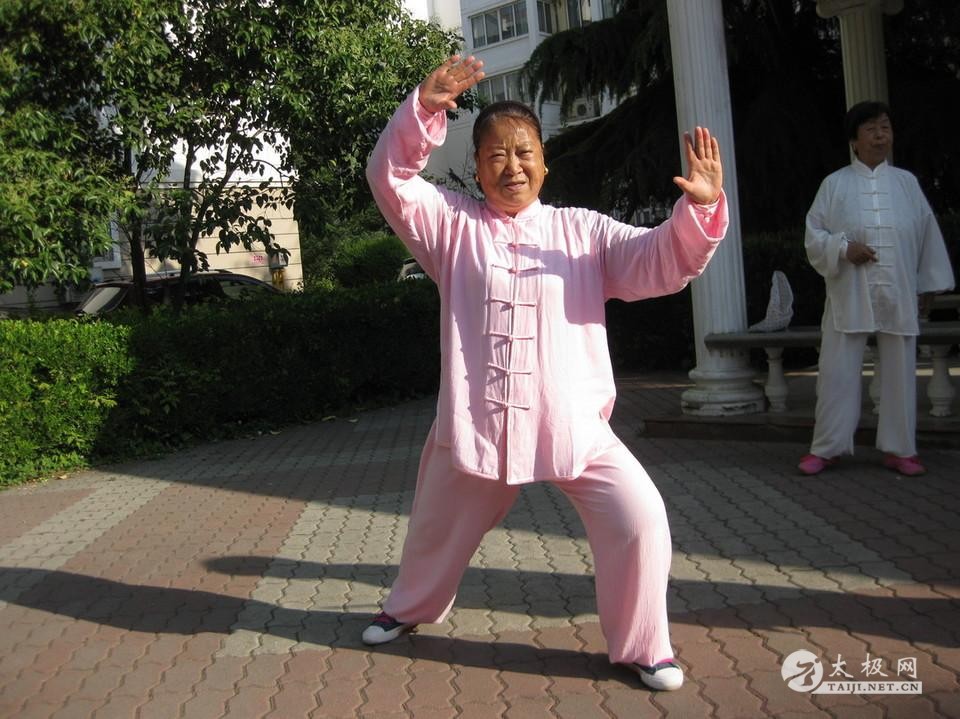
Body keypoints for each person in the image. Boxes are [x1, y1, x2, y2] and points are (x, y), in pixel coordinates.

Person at [362, 55, 729, 692]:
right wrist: (421, 110)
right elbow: (389, 178)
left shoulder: (582, 231)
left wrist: (700, 209)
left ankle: (644, 645)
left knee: (640, 517)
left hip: (572, 424)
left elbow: (657, 259)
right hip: (477, 426)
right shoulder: (450, 226)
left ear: (544, 162)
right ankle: (408, 608)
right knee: (434, 530)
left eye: (525, 152)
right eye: (496, 155)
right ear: (477, 168)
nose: (512, 166)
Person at [799, 101, 954, 477]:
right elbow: (813, 235)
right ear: (854, 140)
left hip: (898, 291)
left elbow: (926, 233)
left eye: (885, 128)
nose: (880, 136)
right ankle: (827, 448)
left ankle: (901, 449)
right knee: (836, 373)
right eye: (871, 129)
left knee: (901, 372)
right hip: (848, 292)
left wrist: (928, 284)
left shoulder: (906, 183)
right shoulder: (835, 184)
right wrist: (843, 248)